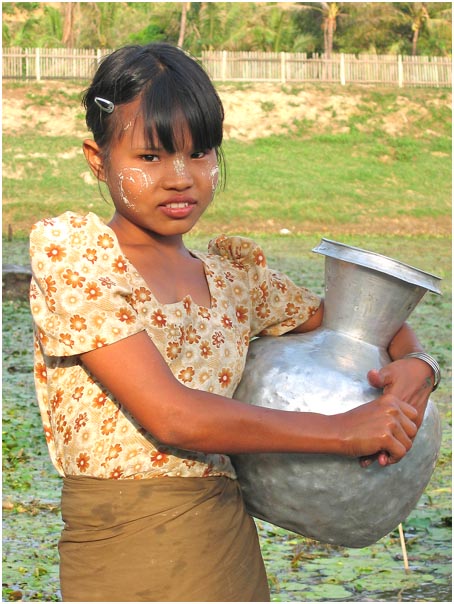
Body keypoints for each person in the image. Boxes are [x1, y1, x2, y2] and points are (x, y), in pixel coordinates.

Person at [29, 43, 440, 603]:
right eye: (150, 158)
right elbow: (173, 416)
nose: (181, 178)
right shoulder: (79, 261)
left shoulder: (232, 280)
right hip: (126, 549)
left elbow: (361, 322)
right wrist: (342, 433)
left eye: (199, 154)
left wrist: (417, 363)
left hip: (226, 543)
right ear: (98, 161)